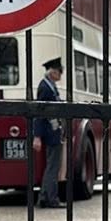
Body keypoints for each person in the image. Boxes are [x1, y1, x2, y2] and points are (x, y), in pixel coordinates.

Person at [33, 57, 67, 209]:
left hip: (53, 131)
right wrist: (37, 136)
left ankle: (45, 196)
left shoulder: (50, 86)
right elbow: (40, 112)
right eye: (60, 71)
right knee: (53, 167)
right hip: (50, 132)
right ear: (52, 72)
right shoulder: (45, 88)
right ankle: (50, 198)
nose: (61, 75)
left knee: (52, 166)